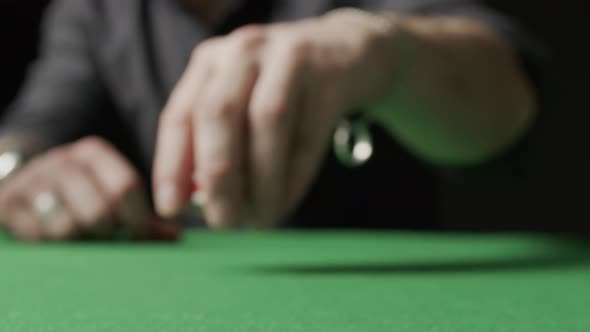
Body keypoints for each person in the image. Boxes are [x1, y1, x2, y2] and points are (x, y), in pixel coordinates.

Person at [0, 0, 537, 241]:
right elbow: (31, 129)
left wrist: (380, 52)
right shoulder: (96, 9)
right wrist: (19, 172)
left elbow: (509, 109)